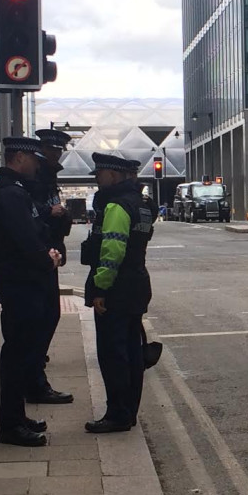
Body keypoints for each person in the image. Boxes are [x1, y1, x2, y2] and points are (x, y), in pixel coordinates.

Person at [0, 138, 62, 447]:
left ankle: (17, 418)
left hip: (25, 281)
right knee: (17, 355)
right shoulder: (10, 194)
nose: (37, 164)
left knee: (22, 352)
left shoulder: (17, 191)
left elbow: (38, 231)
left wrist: (47, 251)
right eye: (33, 158)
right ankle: (10, 426)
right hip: (20, 283)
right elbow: (25, 238)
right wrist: (48, 258)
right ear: (19, 157)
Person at [82, 153, 154, 433]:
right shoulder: (142, 204)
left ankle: (117, 413)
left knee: (113, 354)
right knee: (133, 353)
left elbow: (112, 251)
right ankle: (128, 411)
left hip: (117, 288)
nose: (98, 179)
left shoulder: (116, 206)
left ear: (113, 174)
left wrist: (101, 288)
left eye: (99, 174)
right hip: (137, 283)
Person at [23, 128, 75, 404]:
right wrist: (50, 212)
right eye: (52, 149)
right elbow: (31, 211)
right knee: (43, 317)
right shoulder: (37, 174)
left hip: (50, 249)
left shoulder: (48, 174)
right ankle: (34, 379)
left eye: (59, 150)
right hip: (41, 254)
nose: (55, 154)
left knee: (48, 315)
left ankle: (33, 373)